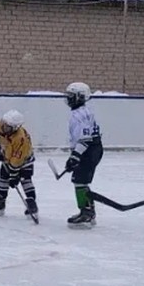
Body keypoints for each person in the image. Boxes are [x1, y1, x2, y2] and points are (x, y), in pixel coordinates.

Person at [63, 82, 103, 228]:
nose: (68, 99)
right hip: (91, 149)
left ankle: (86, 213)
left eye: (71, 96)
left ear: (80, 97)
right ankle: (88, 211)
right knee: (80, 181)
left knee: (79, 180)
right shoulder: (82, 112)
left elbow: (85, 139)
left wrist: (75, 156)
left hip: (89, 150)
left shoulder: (80, 114)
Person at [0, 110, 37, 218]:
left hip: (25, 160)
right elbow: (1, 140)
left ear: (15, 128)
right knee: (3, 178)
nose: (5, 128)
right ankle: (1, 201)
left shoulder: (21, 139)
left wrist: (14, 176)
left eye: (8, 127)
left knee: (25, 180)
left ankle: (31, 203)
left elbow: (17, 160)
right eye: (4, 124)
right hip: (9, 158)